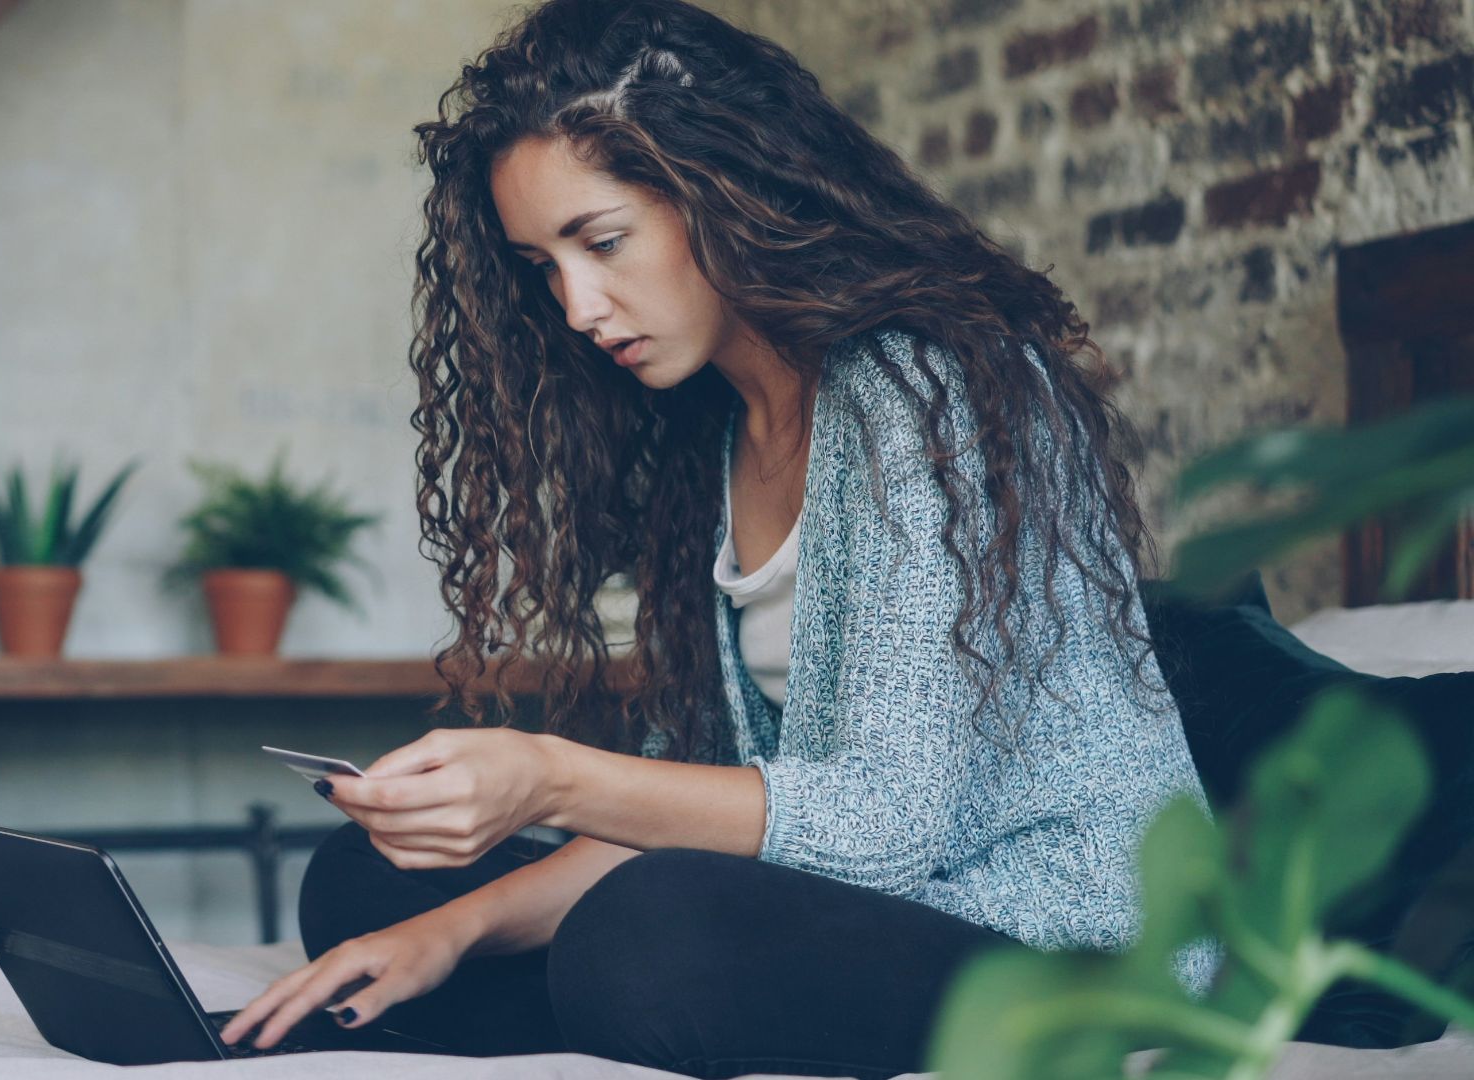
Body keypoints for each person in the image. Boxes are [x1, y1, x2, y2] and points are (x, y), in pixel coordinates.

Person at [218, 1, 1216, 1076]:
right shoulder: (711, 431)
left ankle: (577, 997)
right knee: (367, 890)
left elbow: (887, 824)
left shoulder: (934, 391)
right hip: (846, 908)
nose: (579, 306)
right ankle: (493, 981)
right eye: (543, 266)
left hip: (1070, 938)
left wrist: (548, 777)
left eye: (601, 243)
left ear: (725, 191)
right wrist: (451, 930)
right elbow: (707, 799)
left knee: (648, 938)